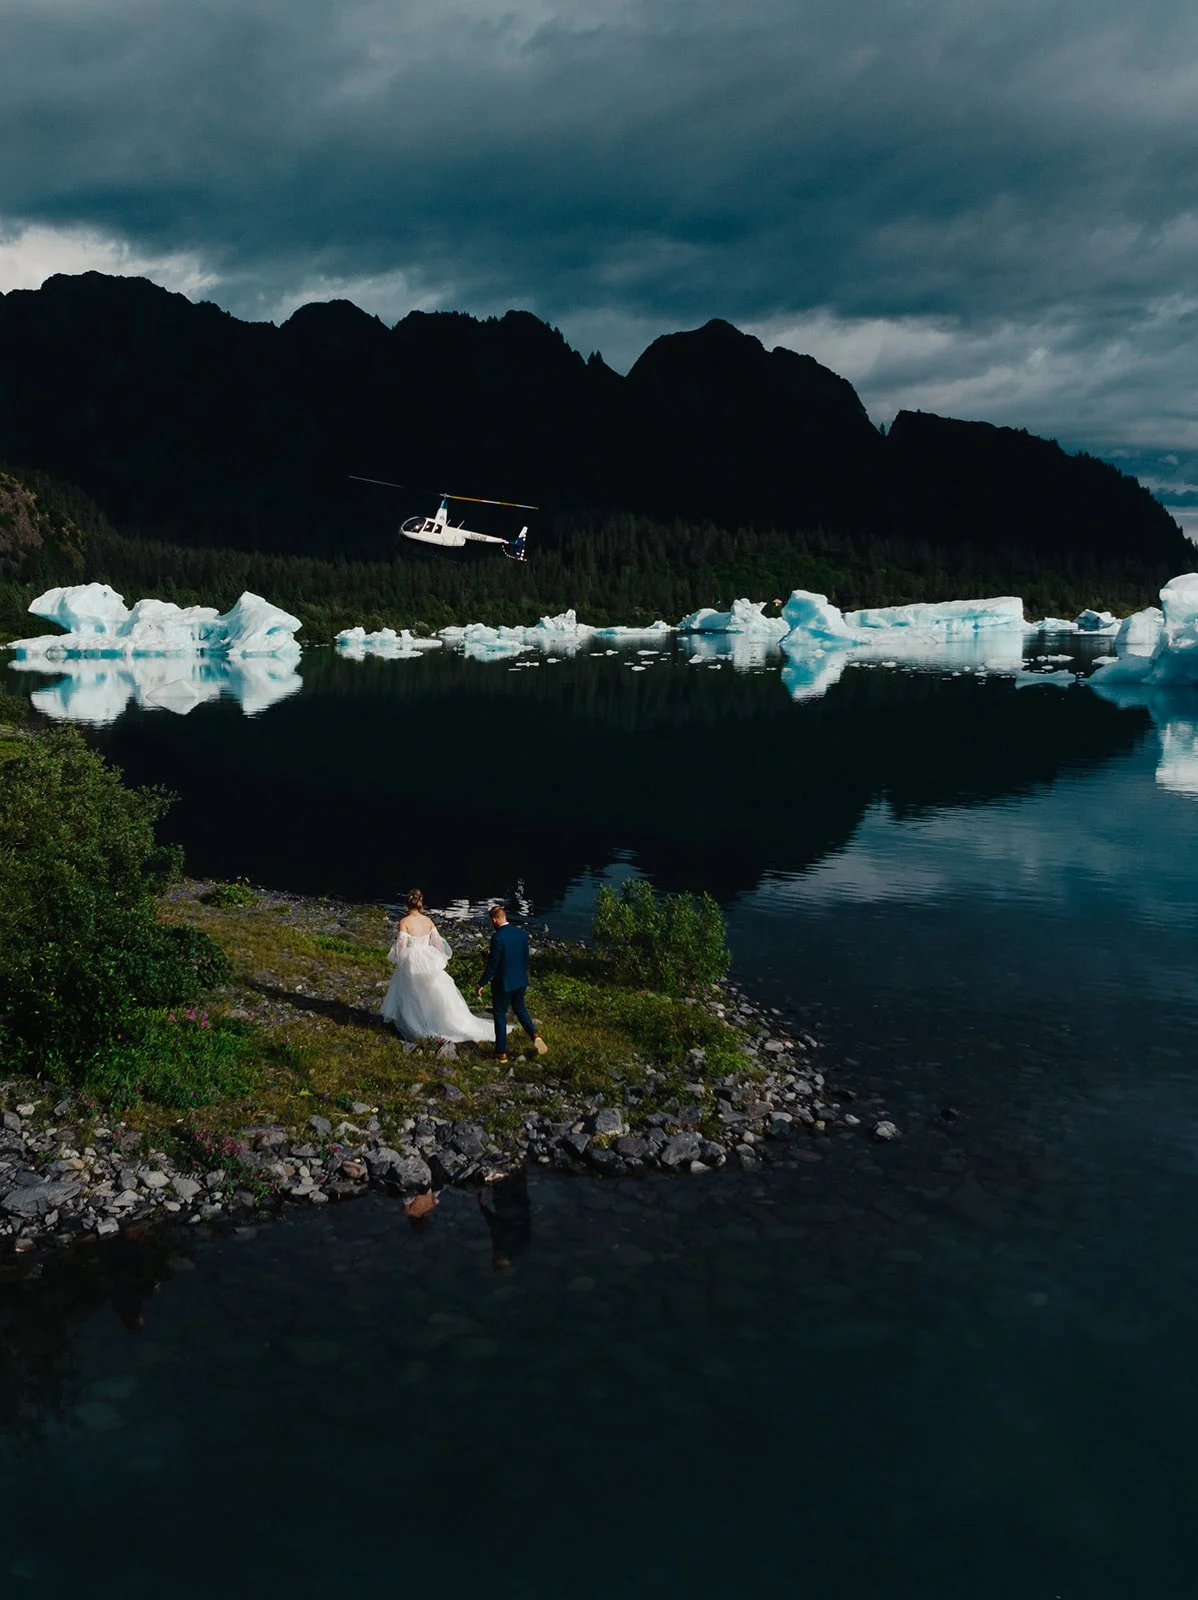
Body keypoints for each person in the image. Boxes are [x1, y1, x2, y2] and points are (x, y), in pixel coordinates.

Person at [381, 889, 494, 1043]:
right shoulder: (428, 921)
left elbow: (402, 944)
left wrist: (398, 957)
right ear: (420, 903)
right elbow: (437, 942)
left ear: (407, 903)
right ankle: (437, 1018)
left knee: (411, 990)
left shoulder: (404, 922)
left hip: (412, 958)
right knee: (433, 989)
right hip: (427, 957)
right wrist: (440, 957)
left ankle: (414, 1021)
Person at [476, 903, 549, 1063]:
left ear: (495, 920)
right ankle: (535, 1036)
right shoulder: (521, 934)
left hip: (503, 983)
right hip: (521, 980)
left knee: (500, 1014)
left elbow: (492, 965)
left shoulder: (498, 938)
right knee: (520, 1008)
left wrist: (481, 983)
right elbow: (525, 958)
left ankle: (501, 1053)